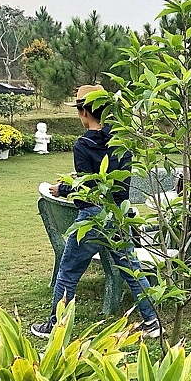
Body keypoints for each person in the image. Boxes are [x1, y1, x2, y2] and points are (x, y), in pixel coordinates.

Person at [30, 84, 161, 340]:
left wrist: (64, 188)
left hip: (92, 218)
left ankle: (56, 325)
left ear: (84, 112)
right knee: (132, 270)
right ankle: (152, 321)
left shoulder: (83, 145)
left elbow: (89, 186)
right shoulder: (122, 142)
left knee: (68, 271)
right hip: (119, 215)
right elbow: (115, 183)